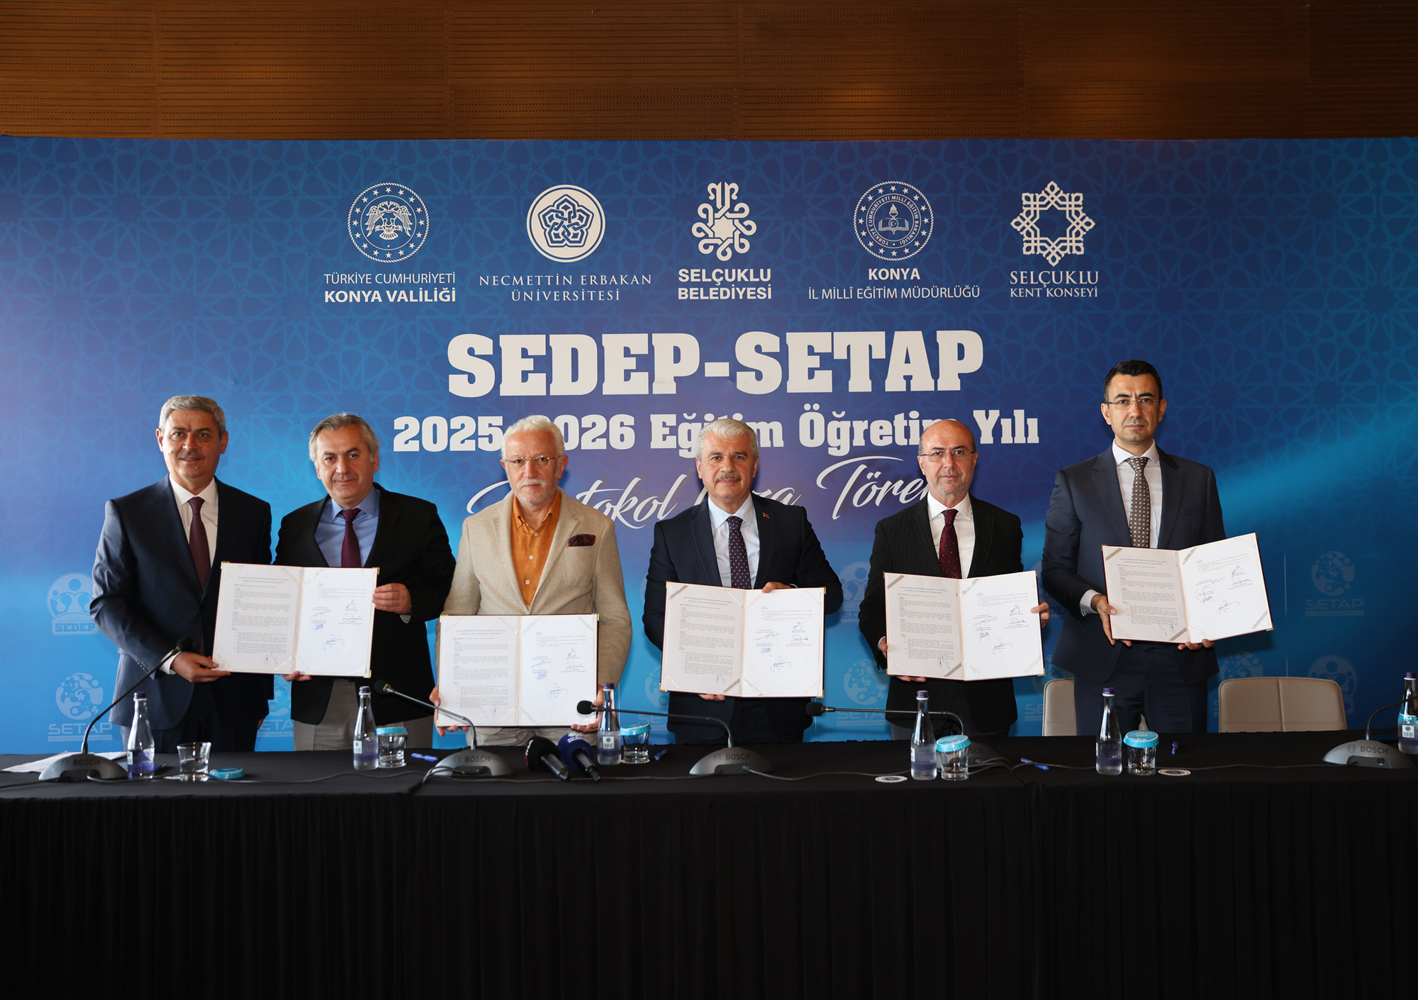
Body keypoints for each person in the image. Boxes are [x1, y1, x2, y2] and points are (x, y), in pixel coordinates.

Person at [1042, 359, 1226, 735]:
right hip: (1103, 653)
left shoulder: (1198, 479)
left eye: (1145, 399)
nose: (1135, 410)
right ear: (1106, 412)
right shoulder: (1074, 482)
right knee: (1104, 769)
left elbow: (1214, 567)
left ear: (1161, 407)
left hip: (1180, 657)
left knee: (1183, 766)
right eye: (1123, 400)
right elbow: (1055, 570)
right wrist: (1095, 601)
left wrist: (1208, 620)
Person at [643, 418, 844, 745]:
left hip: (777, 706)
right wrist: (695, 668)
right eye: (716, 457)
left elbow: (832, 594)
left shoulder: (790, 522)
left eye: (739, 456)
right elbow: (655, 617)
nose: (727, 467)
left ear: (755, 465)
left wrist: (793, 596)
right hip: (702, 707)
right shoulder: (672, 532)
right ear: (699, 467)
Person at [434, 414, 632, 746]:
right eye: (518, 461)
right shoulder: (475, 528)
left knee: (575, 779)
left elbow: (615, 619)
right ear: (505, 467)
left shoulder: (597, 527)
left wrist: (602, 684)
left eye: (542, 459)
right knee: (494, 781)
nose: (529, 471)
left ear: (560, 465)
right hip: (493, 708)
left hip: (571, 707)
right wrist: (453, 685)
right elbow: (456, 617)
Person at [91, 395, 273, 751]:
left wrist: (259, 695)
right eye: (178, 434)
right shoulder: (127, 513)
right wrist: (170, 659)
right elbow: (106, 604)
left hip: (235, 701)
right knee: (154, 791)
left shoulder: (253, 513)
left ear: (223, 441)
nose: (190, 445)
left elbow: (261, 602)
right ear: (161, 439)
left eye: (203, 434)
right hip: (154, 699)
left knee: (236, 790)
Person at [857, 420, 1050, 739]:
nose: (948, 462)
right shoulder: (892, 529)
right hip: (916, 698)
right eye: (937, 453)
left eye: (959, 452)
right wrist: (884, 644)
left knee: (992, 775)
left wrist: (1029, 620)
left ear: (974, 459)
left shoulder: (1005, 525)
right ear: (922, 463)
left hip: (988, 701)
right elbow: (872, 609)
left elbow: (1010, 601)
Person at [275, 414, 455, 749]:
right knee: (316, 786)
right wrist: (284, 655)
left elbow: (452, 590)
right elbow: (281, 603)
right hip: (320, 699)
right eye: (330, 458)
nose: (342, 468)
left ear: (374, 459)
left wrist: (411, 601)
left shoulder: (418, 516)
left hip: (398, 695)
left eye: (353, 454)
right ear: (317, 468)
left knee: (405, 784)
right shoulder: (294, 525)